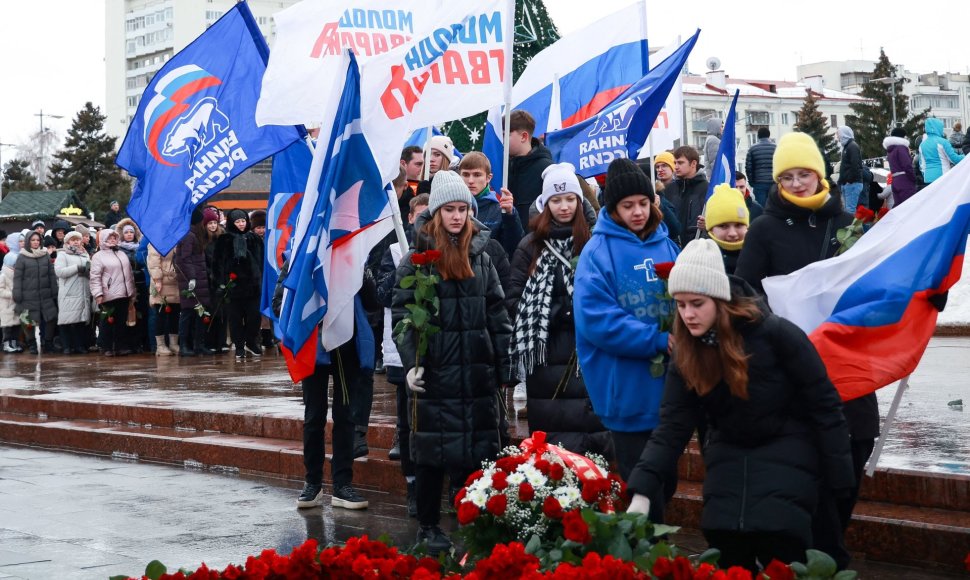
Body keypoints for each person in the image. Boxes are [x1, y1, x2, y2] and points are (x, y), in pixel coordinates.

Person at [626, 239, 855, 573]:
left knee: (784, 543)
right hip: (729, 453)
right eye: (681, 304)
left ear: (719, 300)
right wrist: (642, 492)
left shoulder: (776, 334)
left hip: (788, 449)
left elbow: (824, 406)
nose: (688, 314)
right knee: (725, 543)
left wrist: (840, 483)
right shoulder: (687, 353)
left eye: (697, 303)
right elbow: (672, 426)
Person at [734, 131, 878, 569]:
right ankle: (824, 561)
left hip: (850, 370)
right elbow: (743, 292)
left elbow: (877, 283)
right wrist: (775, 325)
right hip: (794, 377)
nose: (798, 183)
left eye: (805, 174)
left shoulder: (848, 224)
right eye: (789, 176)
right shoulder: (764, 229)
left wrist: (924, 293)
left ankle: (825, 553)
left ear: (821, 175)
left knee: (852, 461)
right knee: (815, 477)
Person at [393, 170, 513, 554]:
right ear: (437, 213)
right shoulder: (418, 260)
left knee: (476, 453)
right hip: (437, 373)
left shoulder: (482, 254)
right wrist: (412, 362)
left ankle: (473, 522)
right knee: (432, 454)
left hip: (476, 373)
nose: (458, 216)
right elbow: (403, 316)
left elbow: (497, 311)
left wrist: (505, 366)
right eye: (450, 209)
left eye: (463, 209)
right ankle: (428, 526)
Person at [573, 158, 680, 521]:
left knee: (667, 480)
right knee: (644, 488)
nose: (637, 212)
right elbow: (596, 320)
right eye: (627, 205)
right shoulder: (597, 252)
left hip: (668, 388)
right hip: (626, 389)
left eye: (643, 203)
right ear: (613, 209)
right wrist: (656, 340)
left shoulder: (668, 246)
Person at [506, 162, 611, 457]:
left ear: (579, 201)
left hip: (588, 351)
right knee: (555, 445)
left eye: (569, 199)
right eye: (556, 200)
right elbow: (514, 300)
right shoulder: (530, 246)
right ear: (545, 203)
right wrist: (558, 314)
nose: (563, 206)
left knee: (591, 440)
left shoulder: (593, 241)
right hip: (546, 355)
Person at [376, 192, 430, 518]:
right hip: (402, 352)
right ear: (409, 218)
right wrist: (403, 271)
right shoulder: (395, 251)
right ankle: (412, 486)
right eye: (419, 216)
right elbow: (382, 295)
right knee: (407, 420)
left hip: (437, 351)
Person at [213, 209, 264, 361]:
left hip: (252, 286)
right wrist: (220, 284)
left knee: (254, 317)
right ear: (231, 223)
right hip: (232, 287)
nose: (241, 224)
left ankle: (250, 341)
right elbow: (217, 264)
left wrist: (260, 280)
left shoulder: (254, 238)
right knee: (235, 319)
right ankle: (240, 346)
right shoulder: (224, 240)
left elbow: (261, 261)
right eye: (237, 221)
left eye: (243, 221)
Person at [458, 151, 524, 257]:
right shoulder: (450, 206)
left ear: (488, 178)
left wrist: (510, 216)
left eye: (477, 175)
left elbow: (514, 247)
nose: (470, 180)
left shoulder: (499, 209)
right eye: (465, 174)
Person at [90, 229, 136, 357]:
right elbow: (95, 277)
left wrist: (132, 292)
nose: (112, 240)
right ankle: (106, 346)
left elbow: (129, 274)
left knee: (121, 321)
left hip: (124, 293)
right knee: (107, 321)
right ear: (104, 239)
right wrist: (98, 294)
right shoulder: (98, 256)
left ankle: (120, 346)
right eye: (110, 238)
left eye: (114, 238)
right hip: (108, 294)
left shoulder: (122, 254)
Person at [175, 210, 215, 357]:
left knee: (200, 314)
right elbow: (184, 259)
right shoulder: (188, 236)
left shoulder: (194, 235)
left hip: (200, 281)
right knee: (187, 314)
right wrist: (192, 278)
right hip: (191, 281)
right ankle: (183, 346)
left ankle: (199, 345)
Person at [506, 110, 554, 230]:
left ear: (523, 136)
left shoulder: (547, 170)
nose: (502, 140)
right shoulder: (503, 168)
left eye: (506, 135)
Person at [12, 231, 58, 354]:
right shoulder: (22, 257)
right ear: (28, 242)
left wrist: (54, 291)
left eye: (38, 240)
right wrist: (17, 293)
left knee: (50, 319)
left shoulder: (45, 255)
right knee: (27, 320)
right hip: (28, 296)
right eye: (33, 240)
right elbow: (17, 277)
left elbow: (51, 275)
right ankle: (31, 343)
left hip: (45, 294)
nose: (36, 242)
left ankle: (47, 343)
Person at [53, 231, 92, 355]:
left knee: (80, 321)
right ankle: (67, 346)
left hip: (82, 292)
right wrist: (76, 268)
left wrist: (88, 272)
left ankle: (79, 346)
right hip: (68, 293)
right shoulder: (63, 255)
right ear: (67, 242)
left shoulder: (85, 255)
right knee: (67, 321)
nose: (76, 241)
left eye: (78, 239)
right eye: (73, 239)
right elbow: (59, 272)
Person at [115, 219, 148, 352]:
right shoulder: (119, 249)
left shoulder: (140, 247)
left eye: (131, 232)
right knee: (128, 314)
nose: (129, 234)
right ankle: (128, 343)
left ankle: (139, 342)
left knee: (141, 314)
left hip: (141, 285)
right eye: (126, 232)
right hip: (127, 286)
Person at [667, 146, 710, 246]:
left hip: (698, 250)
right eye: (675, 163)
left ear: (693, 163)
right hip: (674, 248)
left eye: (680, 163)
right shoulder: (669, 189)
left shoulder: (707, 189)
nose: (676, 167)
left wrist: (708, 226)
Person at [704, 184, 750, 275]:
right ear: (711, 229)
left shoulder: (762, 256)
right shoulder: (700, 260)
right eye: (723, 226)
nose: (732, 233)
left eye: (739, 225)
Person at [147, 244, 181, 356]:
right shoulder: (156, 241)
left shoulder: (175, 239)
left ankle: (173, 344)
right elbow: (153, 262)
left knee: (175, 314)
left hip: (174, 281)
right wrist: (157, 279)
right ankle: (160, 346)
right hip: (162, 282)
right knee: (160, 314)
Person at [919, 118, 965, 185]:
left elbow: (922, 165)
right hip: (942, 177)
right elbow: (954, 159)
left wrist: (927, 174)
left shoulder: (922, 144)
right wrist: (966, 156)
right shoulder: (943, 142)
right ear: (937, 128)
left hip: (927, 178)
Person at [0, 236, 23, 353]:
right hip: (6, 304)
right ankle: (6, 344)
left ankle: (14, 343)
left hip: (16, 304)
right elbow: (0, 290)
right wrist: (12, 294)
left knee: (16, 325)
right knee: (7, 326)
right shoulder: (3, 275)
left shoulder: (17, 274)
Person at [884, 128, 917, 206]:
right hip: (904, 181)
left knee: (898, 207)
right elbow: (907, 165)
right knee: (908, 207)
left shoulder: (890, 150)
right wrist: (913, 178)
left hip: (895, 181)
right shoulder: (901, 148)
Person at [745, 127, 777, 206]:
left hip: (759, 183)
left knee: (760, 208)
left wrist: (751, 182)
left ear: (758, 136)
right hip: (773, 183)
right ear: (769, 135)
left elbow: (748, 168)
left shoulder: (752, 149)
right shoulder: (776, 148)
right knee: (774, 207)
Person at [837, 126, 865, 210]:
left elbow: (855, 165)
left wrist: (850, 180)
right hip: (848, 183)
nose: (837, 137)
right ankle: (850, 223)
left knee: (850, 210)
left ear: (843, 134)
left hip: (852, 184)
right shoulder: (847, 147)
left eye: (838, 134)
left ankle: (851, 223)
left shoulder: (852, 146)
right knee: (847, 210)